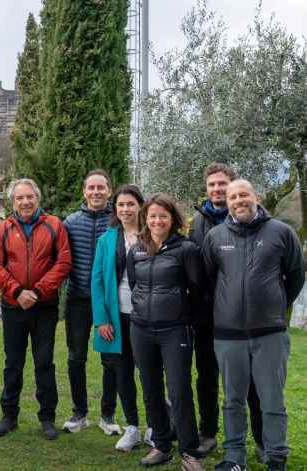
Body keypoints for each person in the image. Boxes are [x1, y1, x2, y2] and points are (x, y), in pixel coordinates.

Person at [203, 179, 304, 471]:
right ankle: (235, 458)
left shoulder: (282, 232)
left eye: (243, 194)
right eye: (233, 196)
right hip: (227, 336)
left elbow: (296, 276)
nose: (238, 200)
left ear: (255, 196)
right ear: (228, 201)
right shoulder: (215, 236)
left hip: (269, 334)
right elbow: (210, 281)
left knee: (272, 401)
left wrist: (274, 305)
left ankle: (276, 458)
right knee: (232, 400)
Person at [188, 163, 263, 458]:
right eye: (212, 185)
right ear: (206, 189)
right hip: (207, 316)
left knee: (252, 381)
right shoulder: (198, 221)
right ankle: (207, 434)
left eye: (222, 184)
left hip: (243, 315)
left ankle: (261, 439)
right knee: (206, 377)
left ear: (232, 186)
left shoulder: (253, 218)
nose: (217, 189)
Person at [127, 193, 205, 470]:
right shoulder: (136, 249)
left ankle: (189, 451)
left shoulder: (187, 249)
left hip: (175, 330)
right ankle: (160, 445)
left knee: (180, 390)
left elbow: (197, 290)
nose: (157, 220)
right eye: (152, 216)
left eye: (163, 215)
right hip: (141, 329)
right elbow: (135, 284)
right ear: (145, 219)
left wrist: (182, 316)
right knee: (150, 389)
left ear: (172, 219)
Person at [0, 178, 71, 440]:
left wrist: (36, 292)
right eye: (19, 198)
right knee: (13, 363)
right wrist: (16, 291)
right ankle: (9, 416)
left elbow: (63, 262)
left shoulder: (54, 225)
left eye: (29, 197)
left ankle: (47, 418)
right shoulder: (4, 228)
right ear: (12, 201)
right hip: (13, 306)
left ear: (37, 199)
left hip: (44, 305)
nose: (25, 202)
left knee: (44, 362)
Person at [62, 169, 121, 435]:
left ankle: (107, 415)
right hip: (77, 299)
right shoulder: (71, 222)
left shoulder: (119, 220)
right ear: (84, 192)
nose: (96, 192)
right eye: (91, 188)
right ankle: (79, 412)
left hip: (110, 302)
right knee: (76, 357)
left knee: (110, 360)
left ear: (109, 190)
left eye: (101, 187)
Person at [90, 184, 148, 452]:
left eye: (130, 204)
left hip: (148, 318)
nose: (125, 209)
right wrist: (102, 320)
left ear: (140, 206)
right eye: (121, 205)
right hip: (117, 317)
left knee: (149, 373)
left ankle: (155, 427)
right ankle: (133, 427)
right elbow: (98, 280)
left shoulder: (153, 235)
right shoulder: (107, 240)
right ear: (116, 208)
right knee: (122, 373)